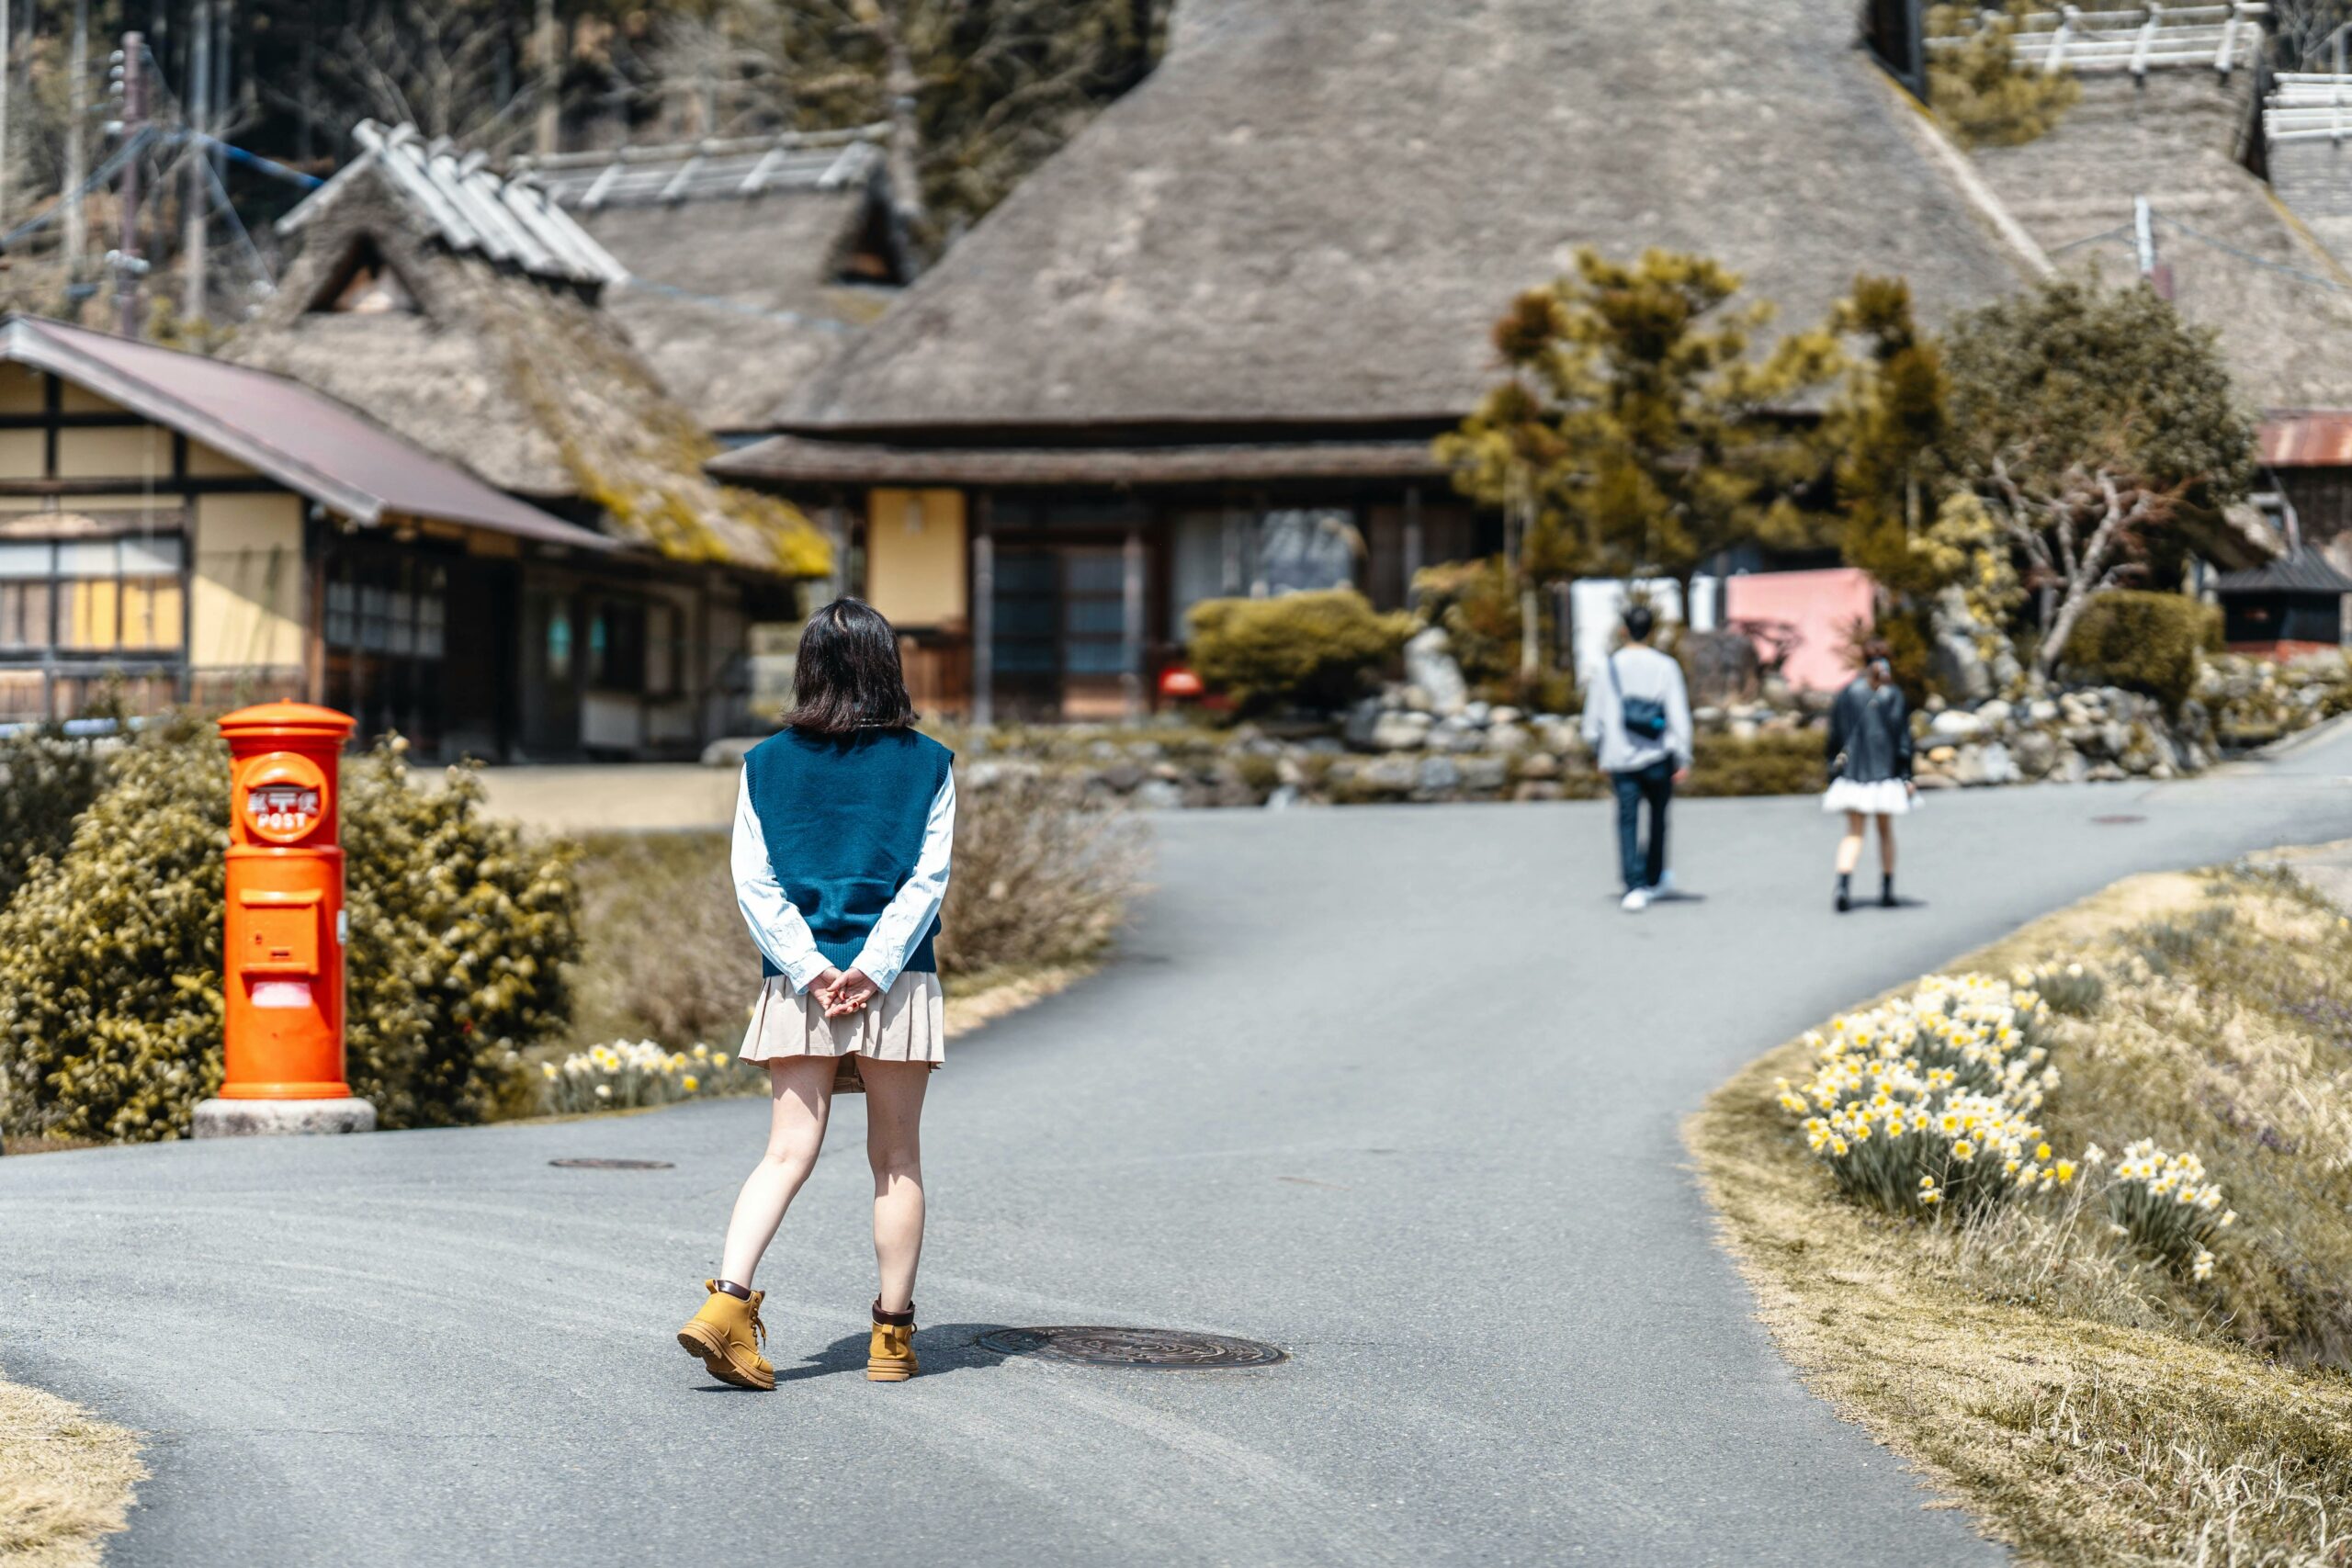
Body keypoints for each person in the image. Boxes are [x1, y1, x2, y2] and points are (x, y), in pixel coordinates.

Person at [676, 599, 956, 1391]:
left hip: (800, 985)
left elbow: (754, 883)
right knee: (896, 1159)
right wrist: (872, 966)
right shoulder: (929, 762)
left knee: (785, 1151)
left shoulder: (763, 762)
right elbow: (926, 881)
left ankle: (727, 1304)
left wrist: (810, 967)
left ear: (808, 668)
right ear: (886, 665)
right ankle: (891, 1341)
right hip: (898, 981)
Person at [1582, 603, 1692, 912]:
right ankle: (1655, 877)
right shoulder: (1666, 665)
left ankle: (1634, 884)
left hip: (1620, 753)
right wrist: (1683, 755)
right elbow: (1678, 713)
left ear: (1623, 630)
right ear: (1651, 631)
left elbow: (1594, 715)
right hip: (1659, 753)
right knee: (1659, 818)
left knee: (1627, 819)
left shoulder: (1608, 667)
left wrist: (1596, 748)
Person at [1823, 639, 1915, 912]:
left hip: (1854, 775)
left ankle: (1843, 884)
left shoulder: (1847, 693)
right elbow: (1904, 739)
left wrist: (1831, 769)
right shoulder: (1892, 695)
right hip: (1884, 773)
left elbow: (1834, 737)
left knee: (1853, 833)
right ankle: (1886, 888)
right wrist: (1907, 774)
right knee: (1885, 831)